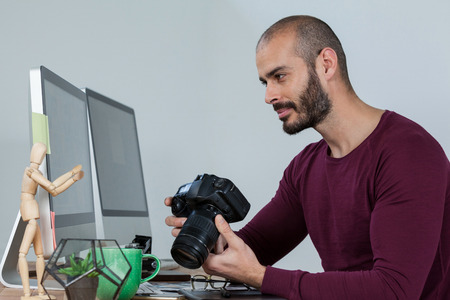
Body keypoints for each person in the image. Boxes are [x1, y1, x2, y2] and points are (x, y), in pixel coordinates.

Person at [165, 15, 449, 299]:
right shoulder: (305, 168)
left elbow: (394, 291)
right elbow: (253, 249)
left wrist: (259, 276)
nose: (269, 95)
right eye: (265, 82)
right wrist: (208, 235)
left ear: (326, 64)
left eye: (279, 76)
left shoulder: (409, 153)